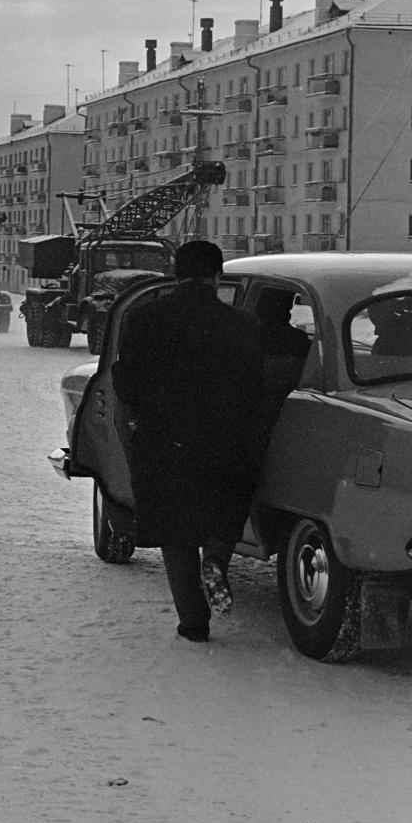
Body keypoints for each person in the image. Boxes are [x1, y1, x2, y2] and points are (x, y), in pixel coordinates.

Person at [112, 240, 268, 643]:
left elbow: (125, 384)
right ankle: (215, 559)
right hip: (225, 439)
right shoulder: (244, 325)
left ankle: (194, 622)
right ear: (216, 276)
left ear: (176, 273)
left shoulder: (143, 318)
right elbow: (256, 390)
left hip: (165, 439)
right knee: (224, 511)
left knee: (175, 531)